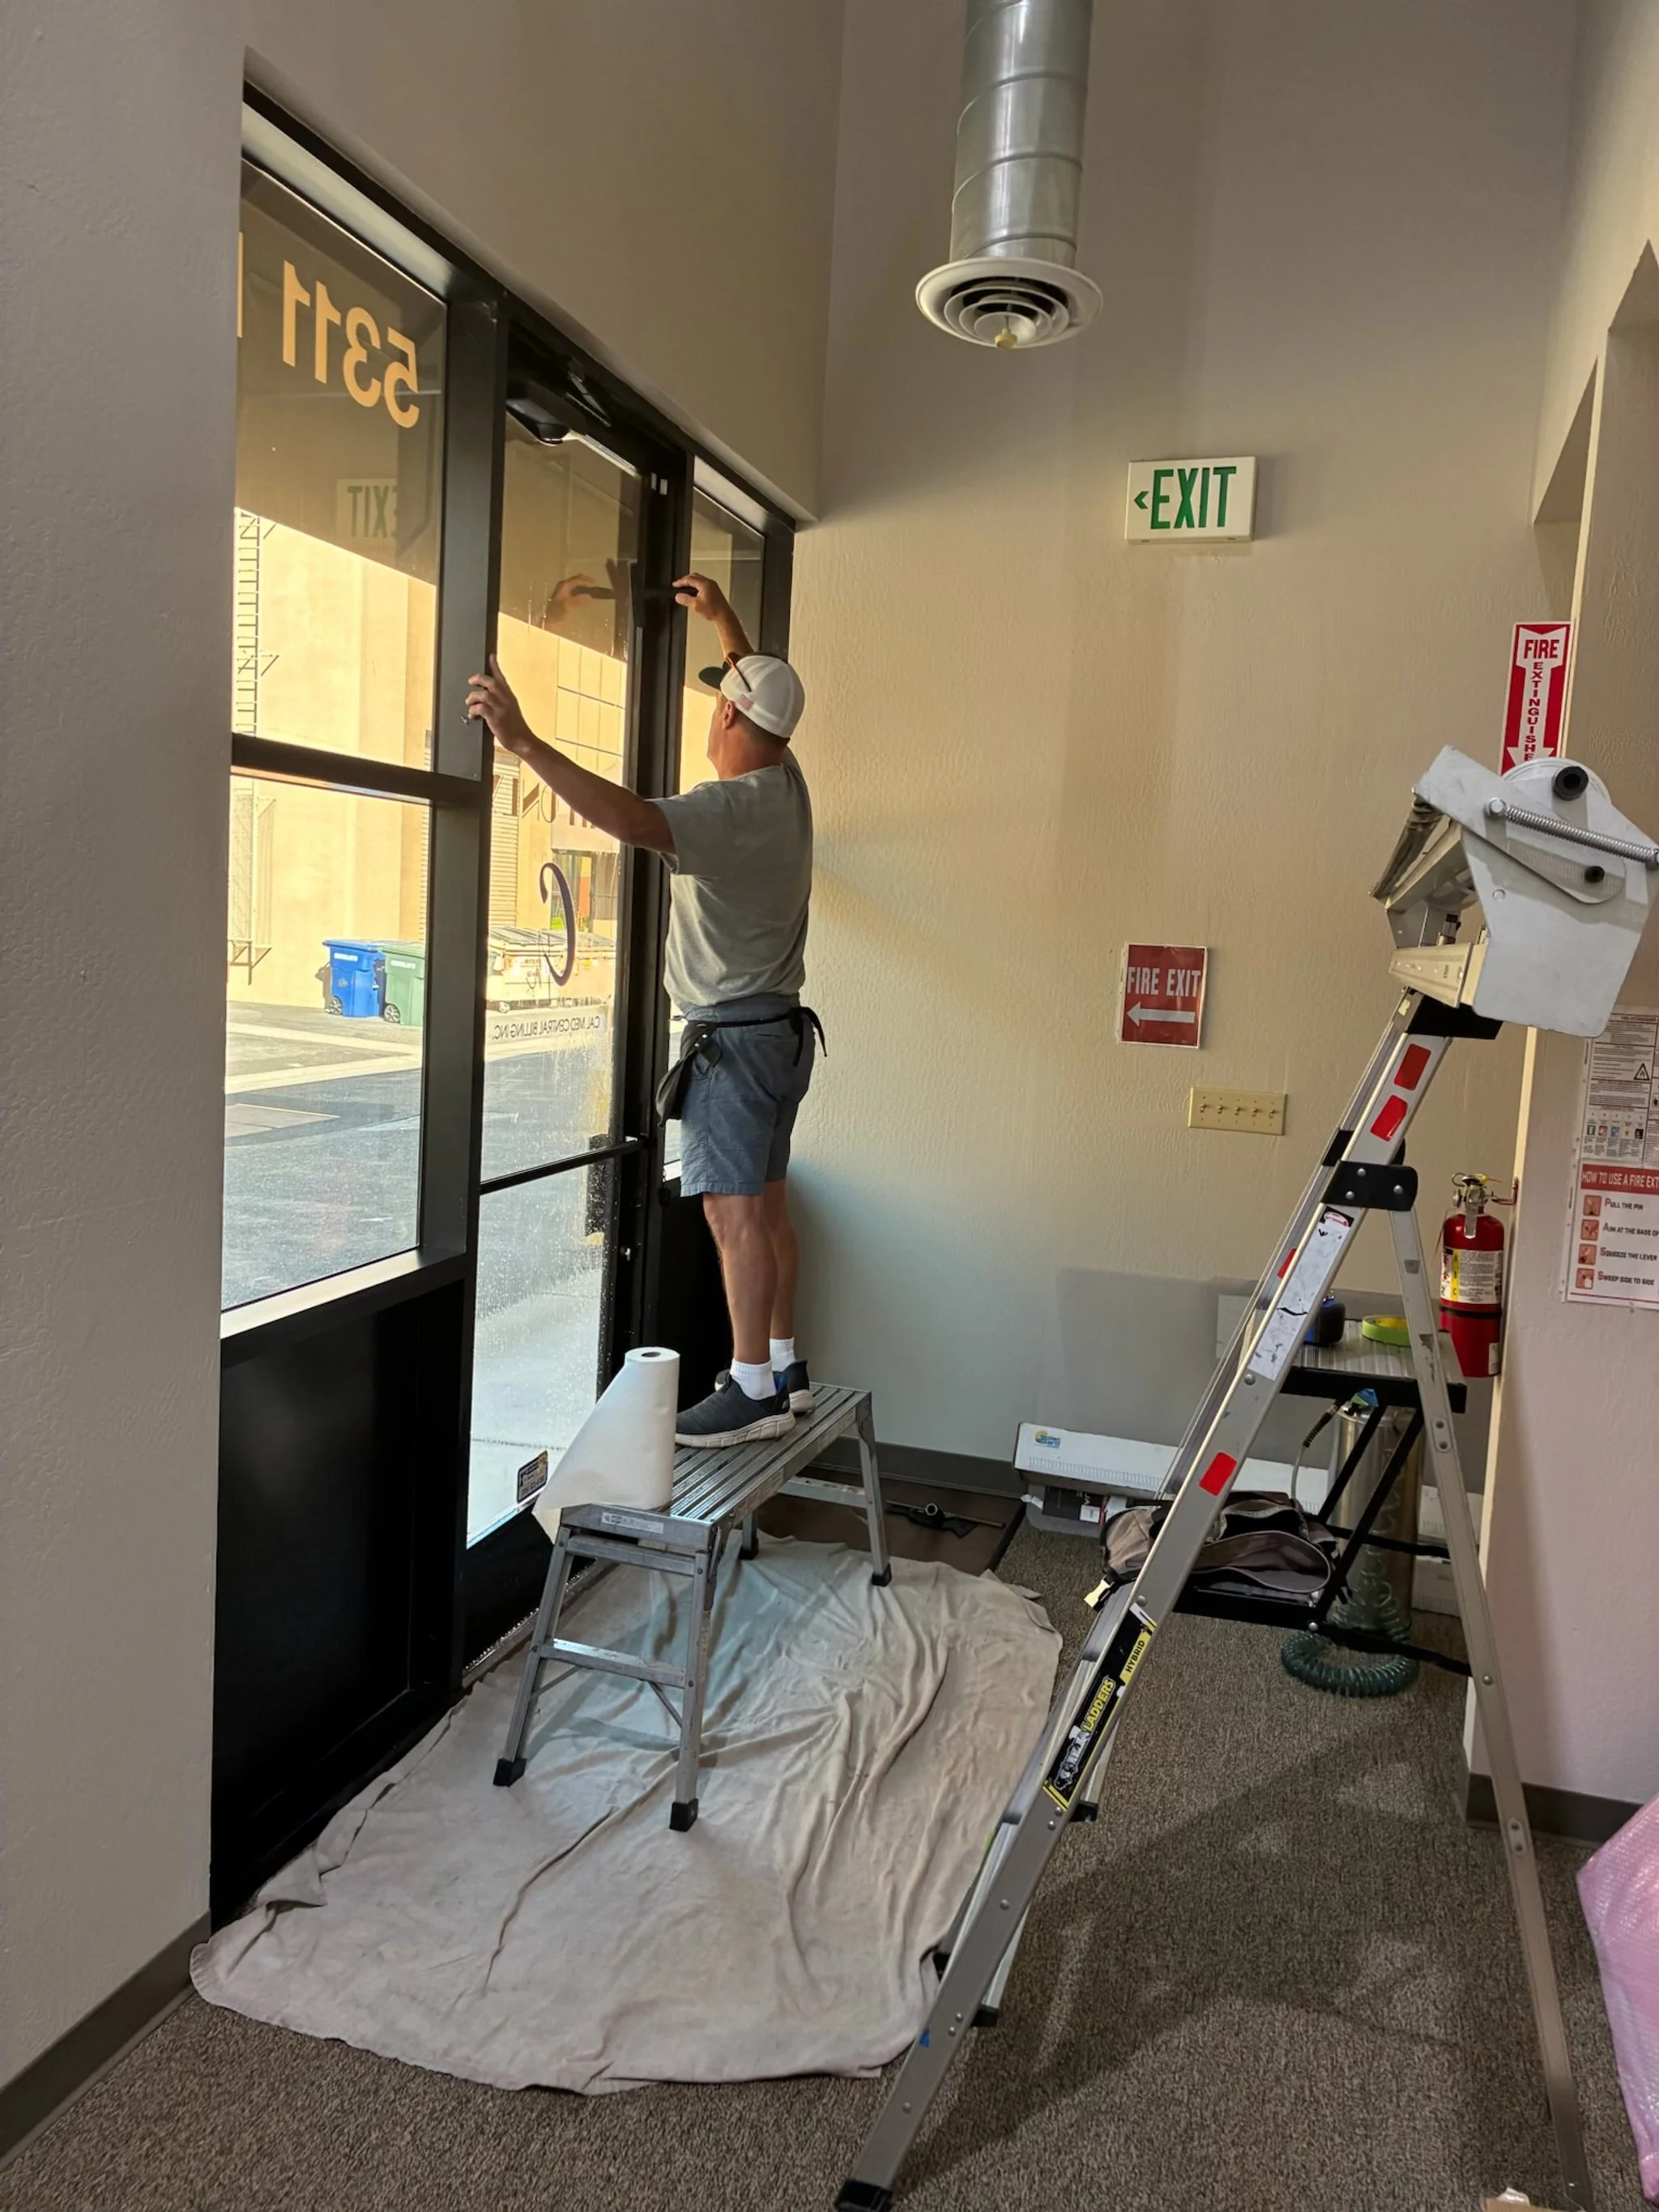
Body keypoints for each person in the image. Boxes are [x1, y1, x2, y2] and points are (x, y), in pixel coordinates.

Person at [466, 573, 819, 1449]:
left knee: (729, 1213)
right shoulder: (787, 784)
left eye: (718, 705)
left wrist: (522, 742)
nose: (711, 717)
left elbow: (625, 818)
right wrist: (726, 622)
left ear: (728, 719)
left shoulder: (725, 811)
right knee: (768, 1208)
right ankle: (783, 1365)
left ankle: (748, 1389)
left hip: (731, 1048)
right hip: (779, 1034)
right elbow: (756, 687)